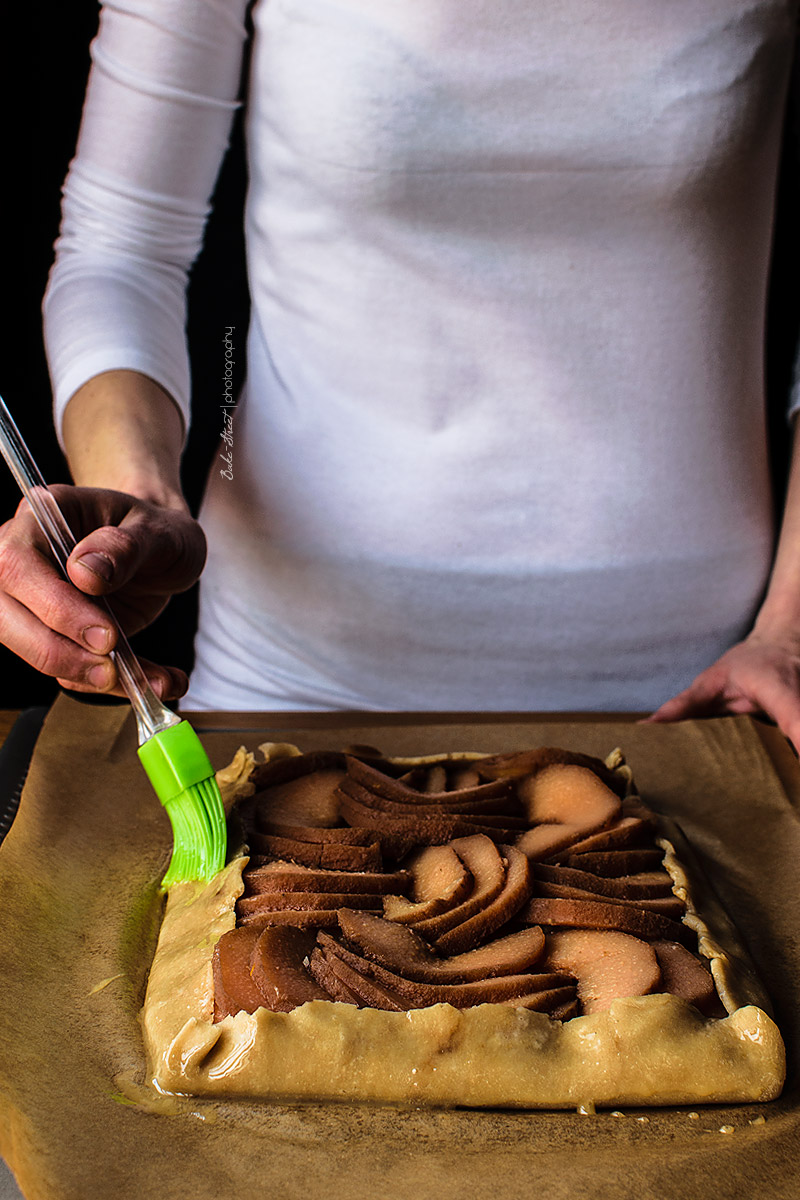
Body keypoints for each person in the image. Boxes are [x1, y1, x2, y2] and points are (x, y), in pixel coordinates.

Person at [2, 0, 800, 748]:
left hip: (702, 689)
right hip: (296, 677)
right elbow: (122, 251)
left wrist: (792, 628)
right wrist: (139, 504)